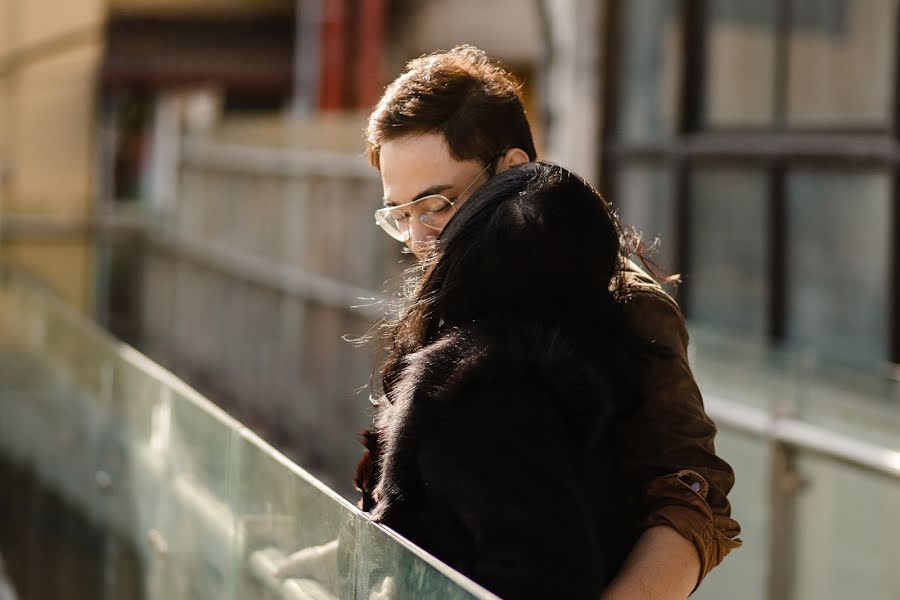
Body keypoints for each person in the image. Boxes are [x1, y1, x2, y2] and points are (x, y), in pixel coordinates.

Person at [357, 46, 741, 599]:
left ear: (511, 170)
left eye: (436, 204)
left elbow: (692, 498)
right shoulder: (451, 285)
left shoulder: (621, 299)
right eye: (400, 216)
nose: (419, 239)